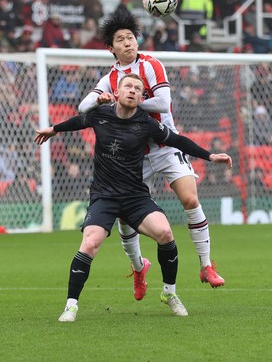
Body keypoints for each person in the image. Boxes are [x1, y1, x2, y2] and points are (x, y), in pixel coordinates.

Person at [35, 74, 232, 322]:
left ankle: (169, 294)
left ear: (141, 98)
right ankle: (71, 306)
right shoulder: (100, 114)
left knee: (166, 234)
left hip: (135, 196)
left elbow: (178, 140)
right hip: (104, 196)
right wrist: (53, 130)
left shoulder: (146, 123)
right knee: (90, 243)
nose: (132, 91)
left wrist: (210, 156)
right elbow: (78, 121)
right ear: (117, 93)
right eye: (127, 86)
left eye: (138, 89)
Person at [78, 9, 230, 301]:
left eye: (131, 37)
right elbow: (84, 107)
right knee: (125, 218)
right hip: (133, 155)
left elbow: (162, 101)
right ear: (111, 48)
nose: (127, 43)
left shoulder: (150, 65)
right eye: (120, 40)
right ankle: (138, 268)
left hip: (164, 145)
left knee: (190, 198)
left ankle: (206, 265)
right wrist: (101, 99)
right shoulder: (110, 77)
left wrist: (128, 100)